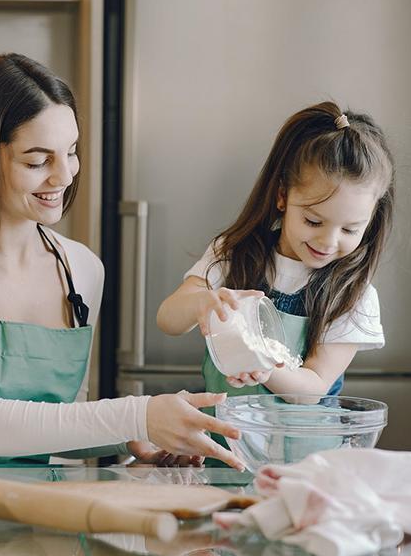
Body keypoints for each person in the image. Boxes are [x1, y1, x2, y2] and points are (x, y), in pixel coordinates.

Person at [0, 53, 243, 469]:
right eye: (38, 161)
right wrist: (139, 415)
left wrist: (135, 438)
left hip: (20, 503)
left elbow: (55, 426)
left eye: (71, 152)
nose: (64, 176)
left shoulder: (81, 269)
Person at [157, 101, 393, 417]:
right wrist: (202, 302)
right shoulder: (234, 253)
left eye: (350, 229)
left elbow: (312, 388)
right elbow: (168, 319)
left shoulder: (353, 294)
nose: (328, 241)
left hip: (301, 458)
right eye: (313, 221)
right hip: (224, 446)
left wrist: (262, 365)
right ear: (282, 196)